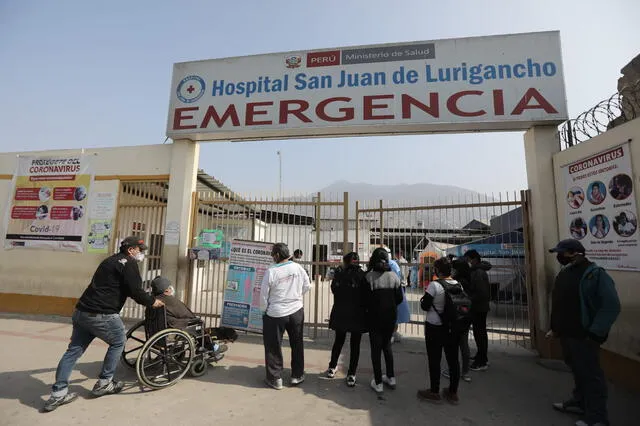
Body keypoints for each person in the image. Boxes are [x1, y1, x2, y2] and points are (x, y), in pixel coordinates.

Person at [43, 236, 165, 412]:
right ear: (131, 250)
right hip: (102, 314)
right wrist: (152, 302)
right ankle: (105, 382)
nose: (141, 254)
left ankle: (58, 394)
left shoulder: (110, 260)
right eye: (140, 250)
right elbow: (136, 292)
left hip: (81, 311)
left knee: (73, 352)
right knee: (118, 341)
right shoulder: (128, 263)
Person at [547, 239, 620, 426]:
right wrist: (555, 328)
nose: (559, 256)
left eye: (561, 253)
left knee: (591, 375)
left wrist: (596, 333)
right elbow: (561, 303)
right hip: (566, 334)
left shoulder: (595, 275)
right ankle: (579, 402)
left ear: (573, 253)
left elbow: (611, 305)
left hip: (584, 336)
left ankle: (597, 417)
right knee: (578, 371)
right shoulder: (565, 273)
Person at [260, 243, 312, 390]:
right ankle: (297, 375)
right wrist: (295, 297)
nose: (272, 257)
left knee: (273, 346)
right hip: (296, 312)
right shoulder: (297, 267)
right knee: (297, 343)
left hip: (275, 313)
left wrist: (264, 311)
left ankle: (275, 378)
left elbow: (263, 295)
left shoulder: (271, 271)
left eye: (272, 254)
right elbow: (307, 285)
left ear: (277, 255)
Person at [417, 257, 467, 404]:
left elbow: (425, 306)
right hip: (452, 327)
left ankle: (434, 391)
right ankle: (453, 392)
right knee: (453, 360)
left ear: (437, 270)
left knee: (435, 359)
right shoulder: (458, 284)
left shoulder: (434, 285)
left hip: (435, 326)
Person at [150, 276, 228, 359]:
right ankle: (212, 347)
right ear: (166, 290)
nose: (171, 288)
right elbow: (187, 314)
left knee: (195, 324)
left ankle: (207, 346)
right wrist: (195, 319)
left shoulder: (152, 300)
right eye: (169, 287)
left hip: (155, 332)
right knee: (199, 324)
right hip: (171, 331)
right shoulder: (170, 300)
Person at [324, 252, 367, 387]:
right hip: (357, 315)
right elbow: (366, 295)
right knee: (355, 345)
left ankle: (332, 367)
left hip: (341, 313)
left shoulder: (340, 273)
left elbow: (334, 290)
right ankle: (351, 374)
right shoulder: (362, 275)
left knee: (339, 341)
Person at [364, 247, 403, 394]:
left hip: (374, 317)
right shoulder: (394, 276)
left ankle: (378, 382)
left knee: (376, 349)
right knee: (387, 346)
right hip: (390, 317)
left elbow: (364, 300)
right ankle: (391, 377)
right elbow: (399, 298)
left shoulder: (368, 277)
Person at [442, 258, 472, 383]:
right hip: (466, 315)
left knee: (454, 345)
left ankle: (454, 370)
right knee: (464, 344)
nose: (452, 270)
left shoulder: (457, 282)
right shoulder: (469, 280)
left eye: (453, 268)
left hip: (457, 316)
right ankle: (465, 372)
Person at [464, 249, 492, 371]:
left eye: (468, 260)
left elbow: (481, 292)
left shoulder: (479, 273)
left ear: (474, 259)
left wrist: (470, 298)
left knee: (480, 334)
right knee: (479, 333)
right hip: (478, 306)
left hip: (479, 307)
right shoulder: (476, 271)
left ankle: (482, 361)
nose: (468, 262)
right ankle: (481, 356)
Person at [383, 246, 410, 343]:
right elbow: (403, 274)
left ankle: (391, 333)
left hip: (395, 287)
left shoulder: (397, 262)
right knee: (394, 311)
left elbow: (402, 274)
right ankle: (392, 333)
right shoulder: (395, 263)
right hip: (398, 286)